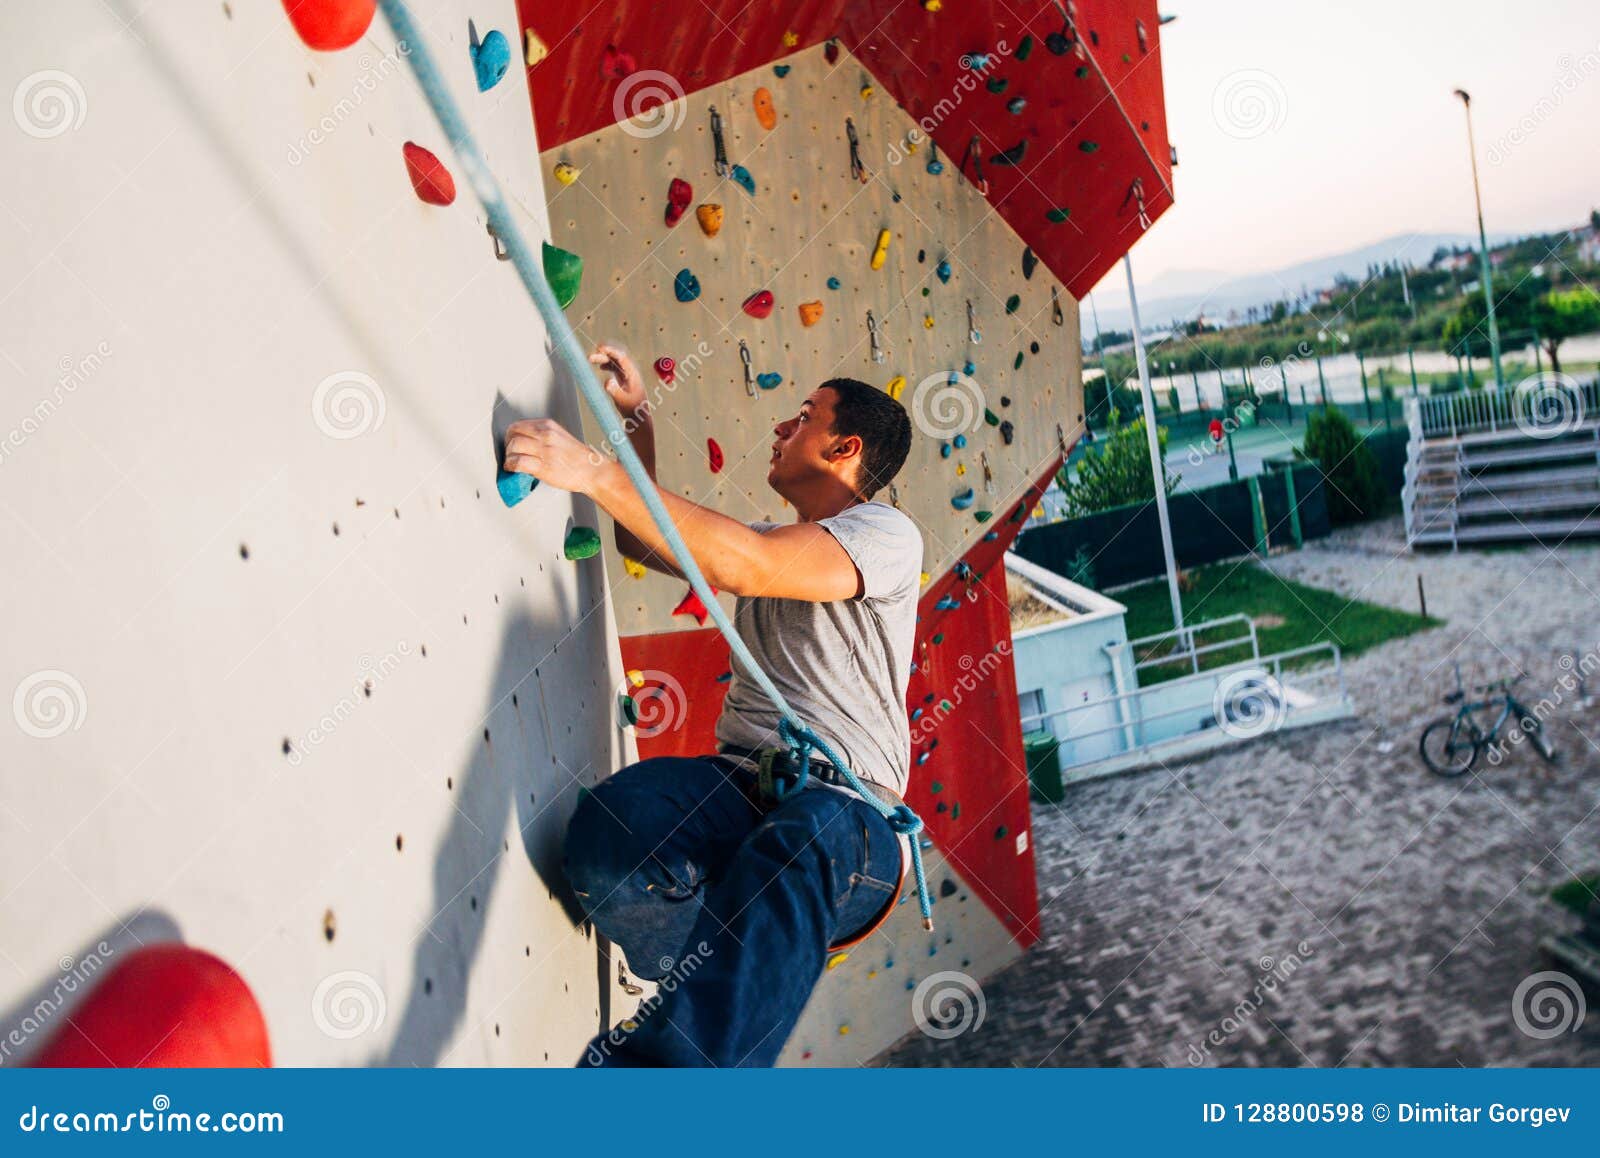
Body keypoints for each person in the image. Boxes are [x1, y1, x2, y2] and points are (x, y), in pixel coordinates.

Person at [502, 343, 921, 1066]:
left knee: (808, 830)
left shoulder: (886, 536)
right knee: (613, 829)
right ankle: (709, 967)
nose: (781, 430)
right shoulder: (769, 542)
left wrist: (594, 472)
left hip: (852, 827)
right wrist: (636, 422)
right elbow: (645, 541)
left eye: (803, 418)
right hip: (743, 794)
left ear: (845, 448)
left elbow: (746, 564)